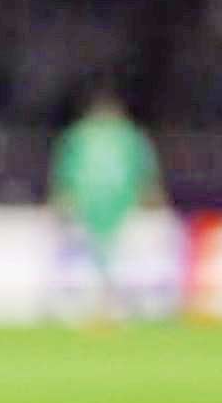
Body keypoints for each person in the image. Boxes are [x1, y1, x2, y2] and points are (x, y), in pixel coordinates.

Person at [50, 90, 166, 324]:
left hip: (101, 203)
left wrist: (62, 196)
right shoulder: (126, 135)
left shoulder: (83, 135)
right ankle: (102, 305)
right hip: (112, 203)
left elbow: (64, 169)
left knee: (105, 257)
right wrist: (152, 194)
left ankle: (107, 305)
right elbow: (146, 170)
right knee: (104, 257)